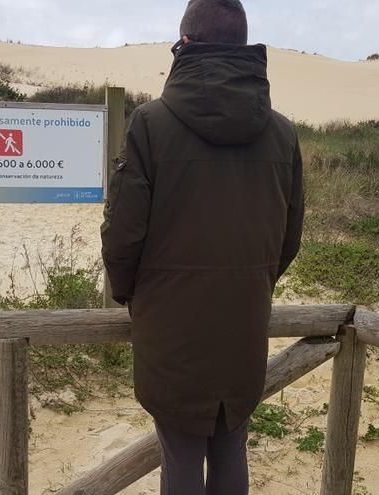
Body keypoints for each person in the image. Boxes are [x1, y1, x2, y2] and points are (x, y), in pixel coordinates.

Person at [101, 0, 304, 493]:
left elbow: (123, 234)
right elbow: (288, 238)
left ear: (185, 45)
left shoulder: (150, 123)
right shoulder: (282, 133)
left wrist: (130, 295)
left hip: (170, 326)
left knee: (181, 453)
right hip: (244, 321)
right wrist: (251, 284)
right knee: (231, 443)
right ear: (244, 45)